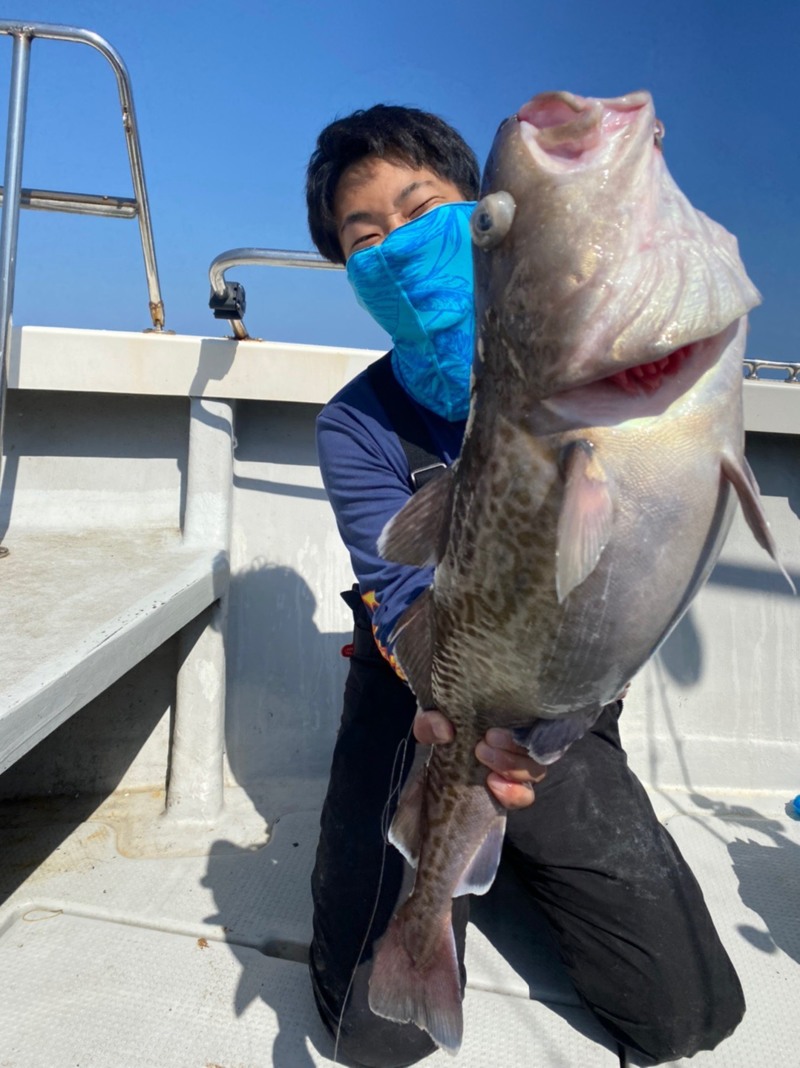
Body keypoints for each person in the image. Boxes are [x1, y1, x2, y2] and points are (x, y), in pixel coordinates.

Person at [305, 103, 744, 1068]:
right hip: (428, 699)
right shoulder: (355, 425)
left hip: (562, 693)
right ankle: (458, 869)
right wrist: (447, 717)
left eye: (423, 210)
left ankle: (519, 864)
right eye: (364, 236)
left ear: (482, 215)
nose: (397, 245)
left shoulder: (580, 358)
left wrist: (547, 733)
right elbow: (396, 592)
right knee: (369, 1035)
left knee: (688, 1016)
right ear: (348, 269)